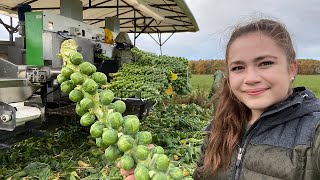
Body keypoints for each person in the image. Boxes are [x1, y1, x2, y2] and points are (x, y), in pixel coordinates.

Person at [193, 19, 320, 180]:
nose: (251, 78)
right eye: (238, 68)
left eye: (265, 63)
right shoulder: (220, 126)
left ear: (291, 68)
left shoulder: (314, 133)